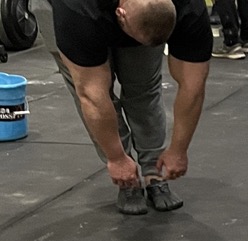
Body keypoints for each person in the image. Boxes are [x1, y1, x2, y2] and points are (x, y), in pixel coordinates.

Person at [30, 0, 212, 215]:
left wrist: (179, 150)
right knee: (97, 92)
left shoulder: (189, 7)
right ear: (121, 14)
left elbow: (193, 87)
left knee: (144, 87)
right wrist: (116, 158)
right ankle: (127, 178)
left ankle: (154, 172)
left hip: (136, 11)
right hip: (68, 11)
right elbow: (92, 97)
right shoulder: (75, 12)